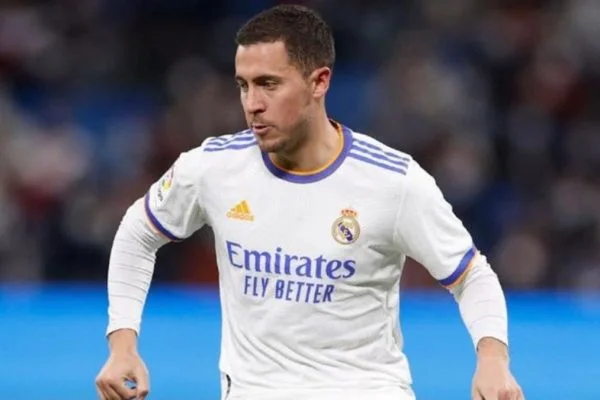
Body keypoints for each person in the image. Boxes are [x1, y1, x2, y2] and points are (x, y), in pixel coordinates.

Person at [95, 4, 524, 400]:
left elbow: (471, 275)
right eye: (243, 85)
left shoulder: (393, 182)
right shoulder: (212, 168)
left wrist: (492, 360)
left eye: (269, 84)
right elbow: (138, 232)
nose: (252, 104)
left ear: (319, 82)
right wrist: (123, 344)